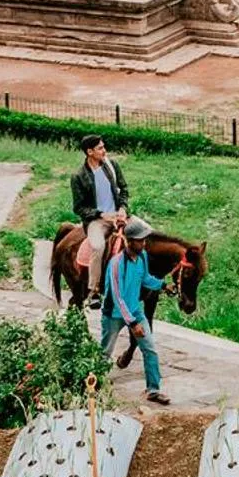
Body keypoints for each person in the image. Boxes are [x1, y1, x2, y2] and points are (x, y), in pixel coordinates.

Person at [70, 135, 152, 310]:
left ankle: (146, 279)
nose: (104, 151)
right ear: (89, 152)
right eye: (100, 148)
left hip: (119, 216)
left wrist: (122, 207)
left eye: (103, 147)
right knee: (98, 246)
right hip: (97, 221)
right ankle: (94, 290)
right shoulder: (78, 176)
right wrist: (101, 214)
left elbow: (124, 189)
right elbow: (79, 208)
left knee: (146, 231)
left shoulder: (112, 166)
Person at [98, 225, 171, 405]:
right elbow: (117, 297)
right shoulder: (116, 264)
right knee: (105, 352)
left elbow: (145, 278)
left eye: (144, 240)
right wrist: (132, 323)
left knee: (150, 349)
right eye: (140, 241)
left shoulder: (142, 257)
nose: (144, 244)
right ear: (129, 241)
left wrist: (162, 285)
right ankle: (95, 385)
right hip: (114, 314)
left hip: (135, 310)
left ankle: (153, 390)